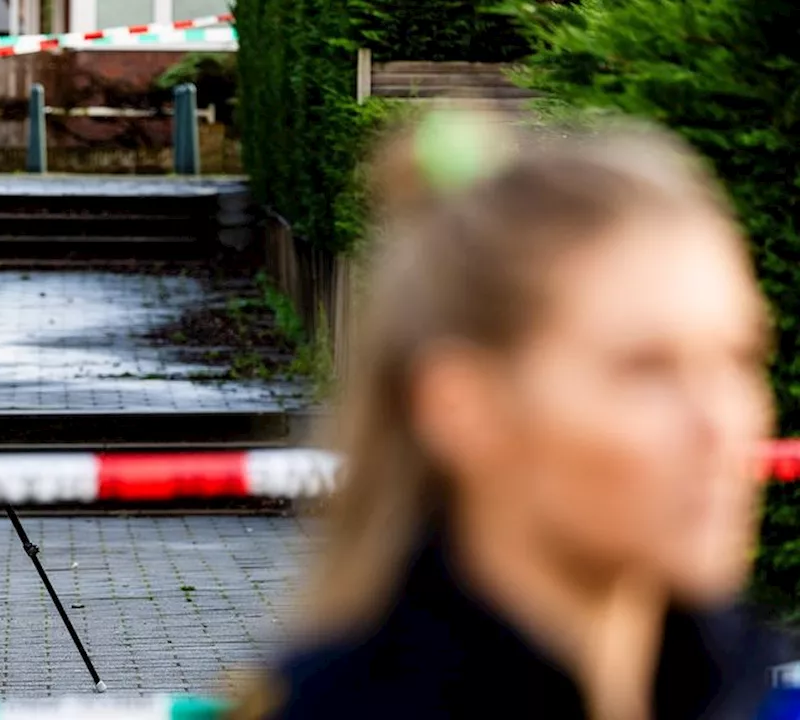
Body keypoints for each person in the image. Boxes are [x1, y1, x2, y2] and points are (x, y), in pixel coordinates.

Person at [235, 111, 794, 719]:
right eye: (645, 369)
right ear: (462, 407)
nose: (720, 423)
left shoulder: (759, 694)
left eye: (740, 359)